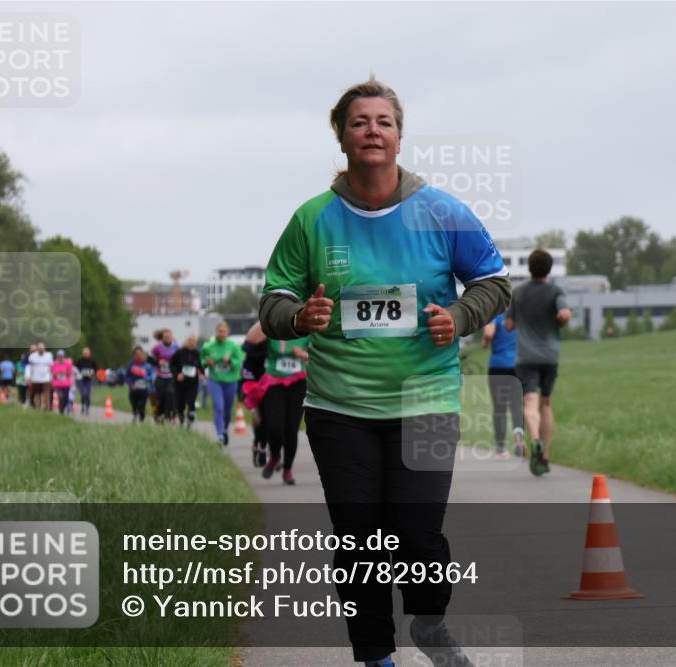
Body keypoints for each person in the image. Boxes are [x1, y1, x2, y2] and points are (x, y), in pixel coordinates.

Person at [258, 78, 510, 667]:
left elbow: (494, 283)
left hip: (426, 398)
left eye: (384, 122)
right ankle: (374, 655)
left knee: (417, 533)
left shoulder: (442, 211)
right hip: (339, 408)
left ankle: (429, 623)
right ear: (341, 137)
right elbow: (271, 306)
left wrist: (459, 315)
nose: (372, 130)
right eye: (359, 121)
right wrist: (301, 315)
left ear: (399, 136)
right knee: (361, 543)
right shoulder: (312, 219)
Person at [504, 249, 572, 476]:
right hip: (550, 356)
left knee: (530, 404)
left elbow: (509, 326)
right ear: (549, 268)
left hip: (526, 357)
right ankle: (545, 456)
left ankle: (534, 439)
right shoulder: (556, 291)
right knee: (546, 404)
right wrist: (561, 318)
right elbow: (564, 314)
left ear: (529, 268)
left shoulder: (518, 293)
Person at [258, 333, 309, 485]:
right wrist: (265, 314)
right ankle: (274, 457)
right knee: (274, 426)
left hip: (298, 384)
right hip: (274, 383)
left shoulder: (305, 332)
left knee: (291, 429)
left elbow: (319, 357)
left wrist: (302, 354)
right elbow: (251, 339)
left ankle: (287, 469)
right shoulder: (272, 329)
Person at [481, 313, 525, 459]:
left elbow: (489, 332)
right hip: (517, 365)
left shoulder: (495, 314)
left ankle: (500, 448)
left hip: (498, 366)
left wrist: (485, 341)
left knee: (499, 407)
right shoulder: (518, 315)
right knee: (516, 405)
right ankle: (519, 440)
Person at [200, 321, 244, 445]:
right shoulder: (208, 346)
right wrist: (206, 362)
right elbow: (201, 360)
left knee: (228, 408)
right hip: (215, 380)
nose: (222, 334)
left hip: (231, 380)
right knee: (219, 407)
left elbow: (240, 360)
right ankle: (219, 434)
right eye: (220, 331)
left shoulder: (233, 346)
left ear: (228, 332)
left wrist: (230, 360)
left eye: (224, 332)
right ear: (216, 332)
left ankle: (224, 429)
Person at [239, 324, 270, 468]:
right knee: (260, 419)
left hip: (270, 380)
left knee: (270, 419)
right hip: (252, 381)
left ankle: (263, 447)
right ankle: (258, 444)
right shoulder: (256, 331)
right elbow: (246, 348)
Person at [170, 334, 205, 428]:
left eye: (194, 341)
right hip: (180, 383)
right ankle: (181, 419)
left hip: (192, 382)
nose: (192, 343)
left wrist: (202, 374)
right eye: (190, 341)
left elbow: (201, 366)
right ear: (187, 342)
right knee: (180, 403)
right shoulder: (179, 353)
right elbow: (172, 365)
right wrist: (177, 374)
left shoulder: (198, 353)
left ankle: (191, 415)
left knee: (191, 400)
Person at [150, 329, 180, 425]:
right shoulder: (157, 347)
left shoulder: (176, 347)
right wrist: (158, 362)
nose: (167, 339)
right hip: (160, 375)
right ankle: (159, 414)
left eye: (169, 337)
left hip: (172, 375)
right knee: (160, 396)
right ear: (162, 338)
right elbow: (149, 359)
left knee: (171, 393)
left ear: (172, 337)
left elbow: (181, 360)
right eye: (165, 337)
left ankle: (172, 415)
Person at [125, 347, 155, 423]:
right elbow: (127, 376)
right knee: (134, 404)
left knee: (142, 406)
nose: (139, 356)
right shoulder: (131, 365)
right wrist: (131, 384)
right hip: (134, 389)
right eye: (137, 354)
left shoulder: (147, 365)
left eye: (140, 354)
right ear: (134, 355)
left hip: (144, 389)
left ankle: (142, 418)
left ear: (143, 355)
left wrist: (147, 379)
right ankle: (135, 414)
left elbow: (151, 375)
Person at [27, 342, 54, 411]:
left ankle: (46, 408)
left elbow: (51, 367)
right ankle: (38, 408)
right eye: (39, 348)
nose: (41, 350)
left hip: (46, 379)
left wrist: (52, 378)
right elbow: (29, 367)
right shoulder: (32, 356)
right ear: (37, 349)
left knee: (46, 394)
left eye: (42, 348)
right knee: (37, 394)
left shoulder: (49, 355)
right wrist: (28, 377)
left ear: (44, 349)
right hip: (35, 379)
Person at [74, 347, 98, 416]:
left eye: (87, 353)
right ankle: (82, 407)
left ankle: (87, 408)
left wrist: (92, 374)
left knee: (87, 394)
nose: (86, 354)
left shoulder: (92, 361)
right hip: (81, 380)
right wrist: (76, 375)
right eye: (85, 353)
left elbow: (95, 370)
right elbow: (75, 370)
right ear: (83, 353)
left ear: (89, 353)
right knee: (82, 395)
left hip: (89, 380)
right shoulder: (79, 361)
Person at [51, 349, 74, 415]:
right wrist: (56, 373)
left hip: (66, 383)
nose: (60, 357)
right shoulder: (54, 363)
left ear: (64, 356)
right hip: (57, 384)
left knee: (66, 397)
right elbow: (52, 373)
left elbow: (70, 372)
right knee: (61, 396)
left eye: (62, 356)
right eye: (59, 356)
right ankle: (61, 410)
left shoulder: (68, 363)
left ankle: (63, 409)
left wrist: (65, 373)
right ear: (57, 356)